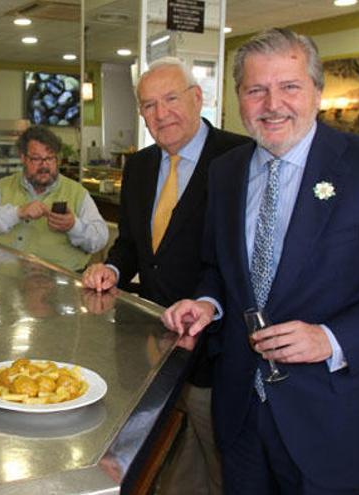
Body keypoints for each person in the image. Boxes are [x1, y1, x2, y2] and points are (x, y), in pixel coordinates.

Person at [161, 28, 359, 494]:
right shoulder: (226, 171)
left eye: (289, 86)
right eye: (256, 90)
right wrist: (208, 303)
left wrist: (331, 339)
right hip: (241, 415)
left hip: (332, 423)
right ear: (239, 98)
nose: (273, 104)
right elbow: (217, 266)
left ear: (317, 91)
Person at [82, 57, 249, 495]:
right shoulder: (138, 167)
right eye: (149, 105)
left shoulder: (241, 158)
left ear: (197, 98)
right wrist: (112, 268)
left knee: (223, 465)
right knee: (167, 464)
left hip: (217, 351)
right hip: (151, 351)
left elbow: (248, 258)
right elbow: (134, 247)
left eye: (171, 99)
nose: (161, 114)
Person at [0, 126, 108, 272]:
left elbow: (99, 240)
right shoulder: (2, 187)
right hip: (5, 277)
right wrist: (17, 213)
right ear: (23, 158)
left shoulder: (77, 192)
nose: (44, 165)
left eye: (50, 158)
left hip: (59, 282)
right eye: (36, 159)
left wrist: (73, 226)